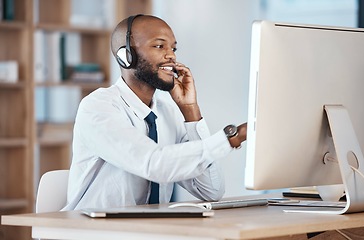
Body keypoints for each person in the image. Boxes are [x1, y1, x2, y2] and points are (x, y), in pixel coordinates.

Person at [62, 14, 247, 211]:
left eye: (173, 48)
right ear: (126, 56)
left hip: (149, 231)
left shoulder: (168, 112)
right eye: (159, 46)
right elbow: (153, 163)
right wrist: (231, 138)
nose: (171, 56)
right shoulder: (98, 107)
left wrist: (190, 111)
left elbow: (211, 191)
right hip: (93, 231)